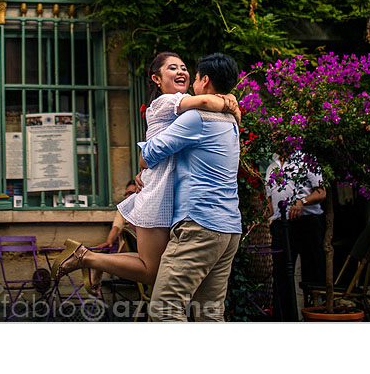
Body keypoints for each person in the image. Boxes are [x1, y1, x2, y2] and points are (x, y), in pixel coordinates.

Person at [50, 52, 241, 296]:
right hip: (158, 190)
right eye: (173, 68)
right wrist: (228, 102)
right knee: (152, 271)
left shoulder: (187, 105)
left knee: (154, 268)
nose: (181, 71)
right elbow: (205, 104)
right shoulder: (166, 102)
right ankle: (87, 258)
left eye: (184, 67)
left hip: (171, 193)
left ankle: (92, 261)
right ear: (157, 79)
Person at [136, 52, 242, 321]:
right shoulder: (231, 120)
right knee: (209, 315)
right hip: (229, 229)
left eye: (193, 75)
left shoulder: (197, 118)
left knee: (165, 310)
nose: (189, 79)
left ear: (204, 80)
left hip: (200, 225)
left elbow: (147, 155)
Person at [265, 151, 326, 321]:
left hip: (306, 221)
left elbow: (321, 193)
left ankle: (316, 318)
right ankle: (284, 321)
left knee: (313, 273)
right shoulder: (271, 168)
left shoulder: (306, 159)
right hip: (280, 224)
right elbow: (270, 205)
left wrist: (302, 202)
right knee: (281, 275)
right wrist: (258, 218)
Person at [96, 180, 137, 250]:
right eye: (126, 194)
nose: (127, 197)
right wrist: (109, 241)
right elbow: (116, 227)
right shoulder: (123, 210)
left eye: (131, 193)